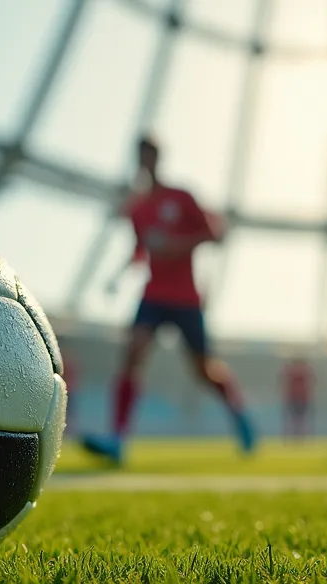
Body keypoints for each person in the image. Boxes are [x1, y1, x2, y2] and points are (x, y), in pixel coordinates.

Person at [82, 135, 257, 464]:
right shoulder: (139, 209)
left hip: (186, 298)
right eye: (140, 156)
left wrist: (178, 245)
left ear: (158, 158)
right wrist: (118, 276)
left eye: (149, 155)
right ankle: (117, 438)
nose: (145, 162)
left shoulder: (182, 196)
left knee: (203, 370)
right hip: (154, 294)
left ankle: (239, 413)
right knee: (133, 352)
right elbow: (139, 251)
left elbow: (216, 234)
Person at [281, 357, 314, 442]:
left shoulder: (304, 372)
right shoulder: (291, 372)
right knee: (294, 420)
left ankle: (302, 437)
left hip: (302, 399)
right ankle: (294, 438)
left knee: (301, 420)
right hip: (293, 398)